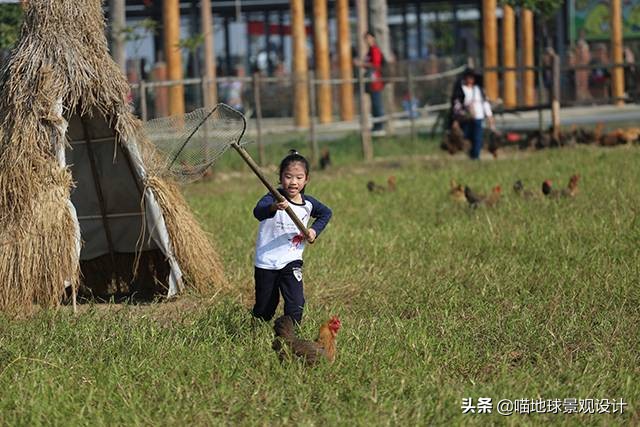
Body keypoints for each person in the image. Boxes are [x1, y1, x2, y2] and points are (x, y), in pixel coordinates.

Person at [252, 150, 332, 324]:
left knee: (296, 303)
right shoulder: (272, 197)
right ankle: (255, 331)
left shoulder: (308, 203)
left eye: (299, 177)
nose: (293, 182)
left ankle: (289, 335)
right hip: (266, 262)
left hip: (291, 260)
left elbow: (326, 213)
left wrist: (313, 231)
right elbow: (258, 212)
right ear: (280, 178)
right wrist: (274, 207)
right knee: (265, 307)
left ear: (306, 179)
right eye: (288, 177)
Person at [450, 68, 495, 160]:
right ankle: (469, 152)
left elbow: (485, 103)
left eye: (472, 78)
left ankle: (476, 156)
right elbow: (457, 104)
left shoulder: (478, 89)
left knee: (477, 137)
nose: (470, 80)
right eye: (468, 77)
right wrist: (456, 118)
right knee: (465, 136)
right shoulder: (461, 89)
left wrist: (489, 115)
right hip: (465, 117)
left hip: (478, 116)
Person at [357, 31, 385, 135]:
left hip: (376, 82)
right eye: (366, 39)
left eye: (368, 38)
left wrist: (362, 64)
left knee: (377, 105)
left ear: (373, 38)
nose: (367, 41)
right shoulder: (369, 51)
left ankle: (380, 126)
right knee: (374, 105)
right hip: (371, 82)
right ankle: (376, 126)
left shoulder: (375, 50)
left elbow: (376, 65)